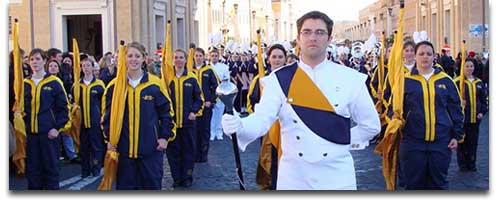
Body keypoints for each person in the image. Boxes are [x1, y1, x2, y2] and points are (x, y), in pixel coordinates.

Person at [221, 11, 380, 190]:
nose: (313, 37)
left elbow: (371, 125)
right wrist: (239, 125)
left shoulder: (350, 78)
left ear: (329, 38)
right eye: (307, 32)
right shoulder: (278, 80)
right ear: (298, 38)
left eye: (320, 32)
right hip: (294, 178)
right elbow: (260, 120)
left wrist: (338, 143)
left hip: (337, 176)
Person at [102, 42, 175, 190]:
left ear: (144, 58)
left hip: (151, 151)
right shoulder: (115, 86)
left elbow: (167, 113)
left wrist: (164, 137)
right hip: (124, 152)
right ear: (124, 58)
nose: (133, 59)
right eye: (130, 56)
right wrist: (109, 139)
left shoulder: (155, 84)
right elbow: (106, 117)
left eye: (137, 56)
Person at [399, 41, 464, 190]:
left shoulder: (446, 81)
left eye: (429, 54)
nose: (425, 57)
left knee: (438, 183)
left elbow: (456, 109)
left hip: (440, 141)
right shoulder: (405, 81)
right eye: (421, 54)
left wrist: (456, 135)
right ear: (415, 56)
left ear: (434, 56)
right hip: (413, 141)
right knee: (414, 184)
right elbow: (394, 108)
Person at [24, 48, 70, 189]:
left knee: (50, 171)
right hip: (31, 136)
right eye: (32, 59)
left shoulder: (54, 82)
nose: (34, 62)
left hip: (49, 135)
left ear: (44, 61)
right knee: (33, 173)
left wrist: (57, 128)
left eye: (38, 59)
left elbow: (63, 109)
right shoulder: (25, 83)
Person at [247, 43, 287, 190]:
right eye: (274, 57)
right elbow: (251, 101)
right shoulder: (260, 79)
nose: (277, 60)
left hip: (287, 130)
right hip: (268, 130)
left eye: (280, 57)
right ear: (268, 59)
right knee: (269, 160)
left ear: (285, 59)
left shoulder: (293, 79)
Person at [166, 49, 203, 188]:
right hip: (172, 123)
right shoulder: (168, 79)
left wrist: (194, 111)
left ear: (186, 60)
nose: (178, 60)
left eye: (181, 57)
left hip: (188, 123)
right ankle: (176, 177)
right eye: (176, 57)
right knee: (173, 153)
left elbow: (199, 99)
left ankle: (187, 176)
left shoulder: (192, 78)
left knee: (188, 151)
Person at [454, 59, 488, 172]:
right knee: (462, 142)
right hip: (463, 119)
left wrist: (482, 112)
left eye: (471, 66)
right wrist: (460, 102)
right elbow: (451, 100)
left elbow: (484, 100)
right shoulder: (457, 82)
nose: (469, 68)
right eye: (467, 66)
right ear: (463, 67)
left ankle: (472, 163)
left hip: (475, 119)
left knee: (473, 142)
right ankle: (462, 164)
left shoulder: (479, 82)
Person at [76, 57, 106, 178]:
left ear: (93, 67)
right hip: (82, 121)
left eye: (88, 66)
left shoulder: (99, 84)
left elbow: (104, 102)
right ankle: (85, 170)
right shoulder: (77, 85)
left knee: (96, 146)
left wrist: (103, 116)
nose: (86, 68)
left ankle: (96, 168)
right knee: (84, 147)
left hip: (95, 120)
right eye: (84, 66)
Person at [45, 59, 80, 164]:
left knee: (66, 132)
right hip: (51, 112)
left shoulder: (62, 79)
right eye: (51, 66)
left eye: (55, 66)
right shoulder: (45, 81)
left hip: (61, 109)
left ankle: (71, 154)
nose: (53, 68)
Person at [192, 47, 219, 163]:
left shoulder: (209, 70)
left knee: (204, 130)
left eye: (200, 55)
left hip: (205, 106)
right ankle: (194, 154)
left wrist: (211, 101)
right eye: (196, 55)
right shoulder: (189, 70)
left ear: (204, 57)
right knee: (193, 131)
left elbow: (216, 87)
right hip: (193, 107)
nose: (198, 58)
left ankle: (203, 154)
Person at [209, 47, 230, 141]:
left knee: (219, 114)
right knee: (211, 115)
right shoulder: (207, 68)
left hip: (220, 93)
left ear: (218, 57)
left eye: (216, 56)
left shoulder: (224, 67)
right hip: (210, 94)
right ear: (209, 56)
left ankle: (219, 132)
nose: (214, 57)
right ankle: (212, 132)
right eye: (212, 56)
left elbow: (226, 80)